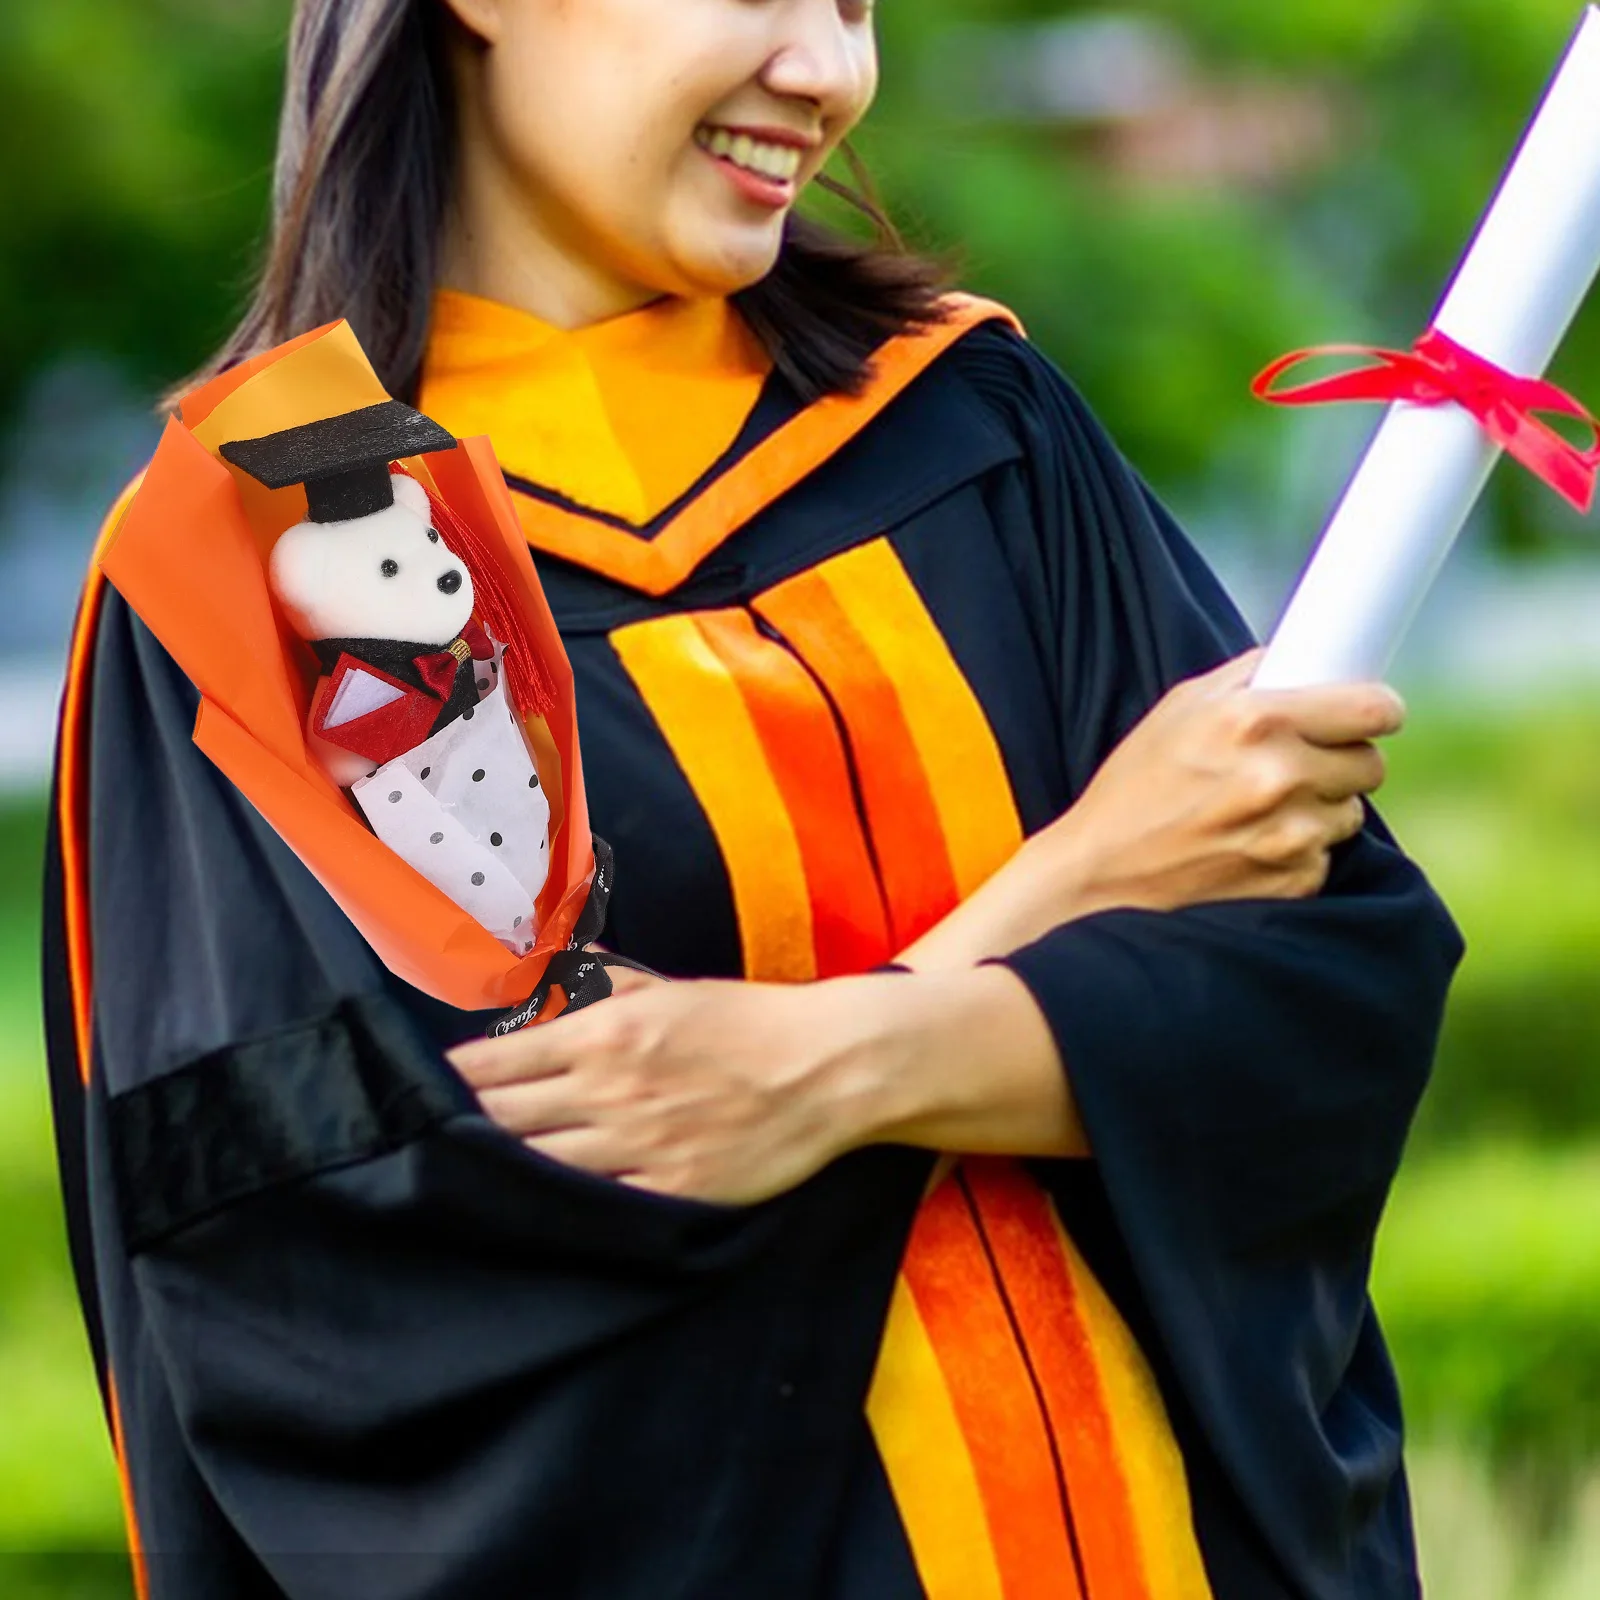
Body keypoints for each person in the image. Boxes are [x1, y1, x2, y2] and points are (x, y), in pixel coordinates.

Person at [42, 2, 1462, 1597]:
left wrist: (835, 1066)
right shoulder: (303, 557)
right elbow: (361, 1234)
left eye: (855, 3)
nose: (828, 71)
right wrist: (1060, 898)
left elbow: (1328, 970)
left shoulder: (972, 421)